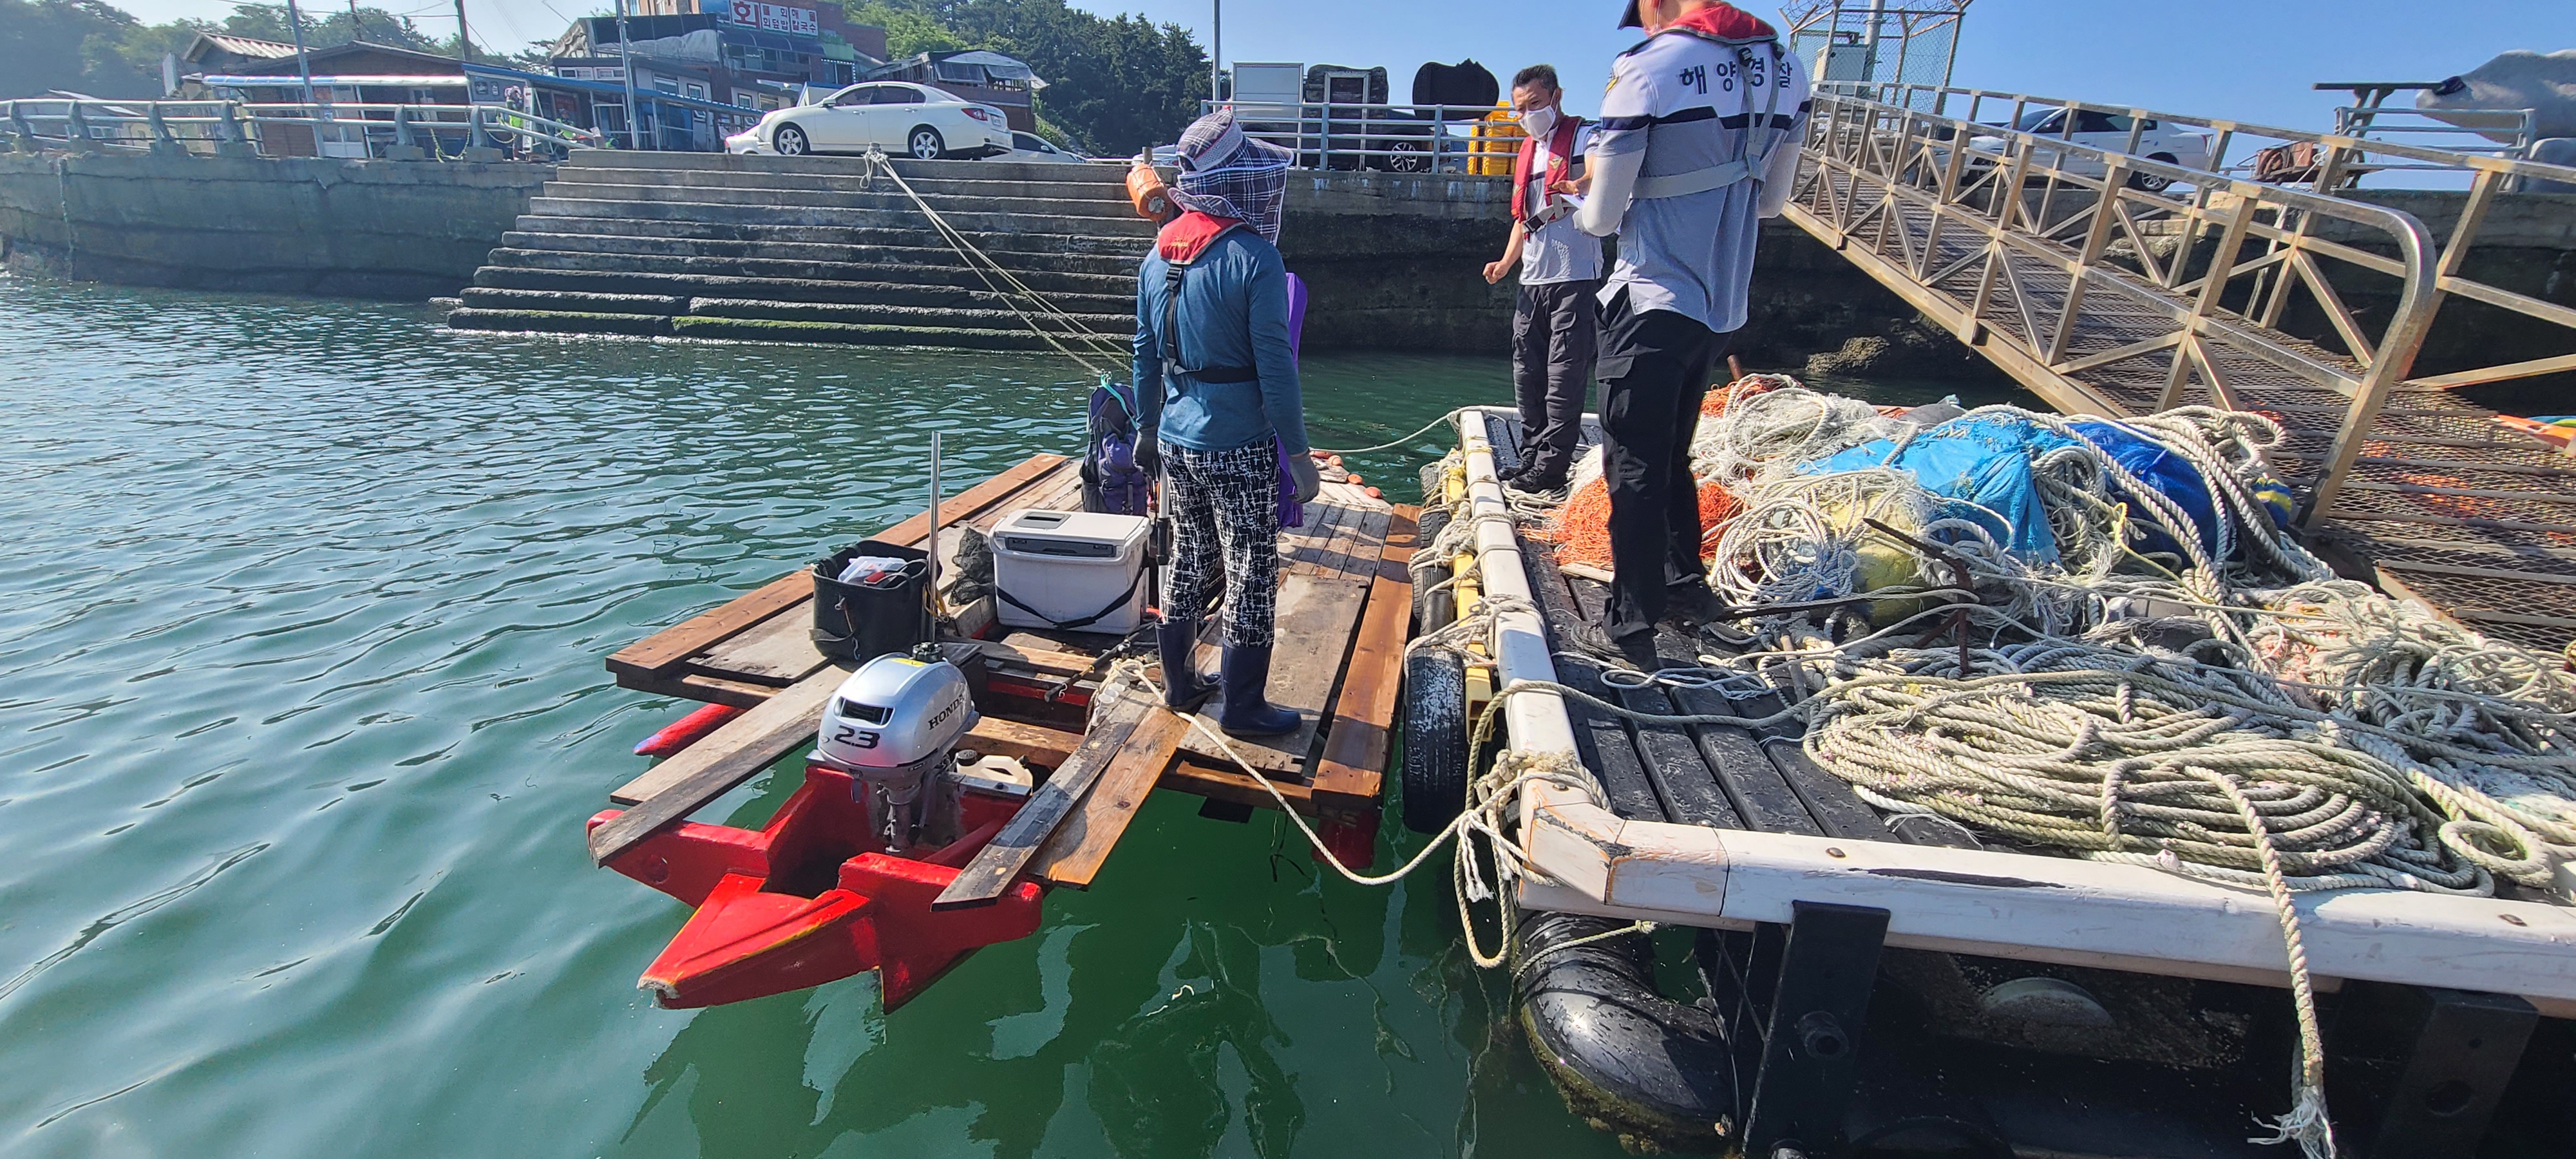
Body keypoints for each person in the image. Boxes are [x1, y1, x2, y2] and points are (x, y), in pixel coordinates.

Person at [1570, 0, 1809, 665]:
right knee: (1672, 454)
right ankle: (1683, 589)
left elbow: (1600, 217)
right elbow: (1770, 202)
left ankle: (1630, 627)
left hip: (1651, 296)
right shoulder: (1787, 68)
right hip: (1720, 301)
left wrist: (1587, 194)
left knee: (1633, 466)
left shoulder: (1650, 67)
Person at [1132, 108, 1323, 737]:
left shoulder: (1157, 257)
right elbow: (1276, 370)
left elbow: (1143, 354)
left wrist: (1145, 428)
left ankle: (1180, 686)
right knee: (1250, 572)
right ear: (1242, 181)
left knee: (1186, 560)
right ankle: (1243, 708)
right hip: (1237, 443)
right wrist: (1297, 456)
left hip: (1179, 439)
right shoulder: (1255, 259)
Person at [1482, 64, 1605, 496]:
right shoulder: (1528, 151)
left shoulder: (1584, 136)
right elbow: (1524, 219)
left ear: (1556, 96)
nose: (1527, 114)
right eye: (1520, 108)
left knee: (1563, 373)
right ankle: (1531, 456)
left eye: (1535, 104)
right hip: (1532, 279)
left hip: (1575, 275)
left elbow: (1596, 170)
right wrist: (1504, 263)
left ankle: (1552, 466)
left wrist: (1582, 181)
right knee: (1527, 369)